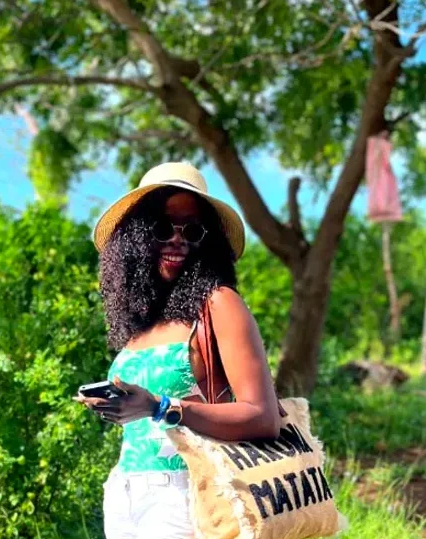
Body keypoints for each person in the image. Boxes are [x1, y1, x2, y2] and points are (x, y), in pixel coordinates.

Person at [76, 162, 281, 538]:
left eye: (193, 230)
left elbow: (263, 417)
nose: (177, 238)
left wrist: (158, 406)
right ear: (136, 237)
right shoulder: (141, 319)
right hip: (124, 493)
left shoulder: (219, 303)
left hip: (185, 494)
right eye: (162, 226)